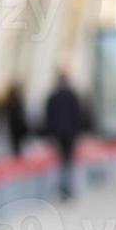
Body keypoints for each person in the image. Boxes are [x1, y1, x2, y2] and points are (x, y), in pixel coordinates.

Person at [44, 72, 85, 201]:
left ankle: (63, 187)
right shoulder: (72, 96)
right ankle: (67, 187)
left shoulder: (53, 97)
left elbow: (49, 117)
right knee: (68, 161)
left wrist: (50, 134)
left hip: (58, 134)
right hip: (70, 134)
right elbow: (78, 115)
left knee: (61, 161)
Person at [3, 83, 30, 158]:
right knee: (16, 145)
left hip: (16, 127)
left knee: (17, 145)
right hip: (16, 126)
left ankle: (18, 156)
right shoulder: (14, 102)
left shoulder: (14, 101)